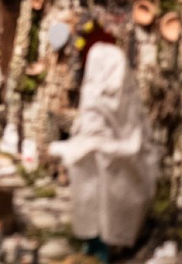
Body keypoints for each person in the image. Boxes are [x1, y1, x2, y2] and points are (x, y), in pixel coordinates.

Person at [48, 43, 156, 260]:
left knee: (104, 203)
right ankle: (96, 245)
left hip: (112, 157)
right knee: (95, 202)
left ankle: (103, 246)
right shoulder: (107, 90)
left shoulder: (109, 92)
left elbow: (122, 124)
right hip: (101, 158)